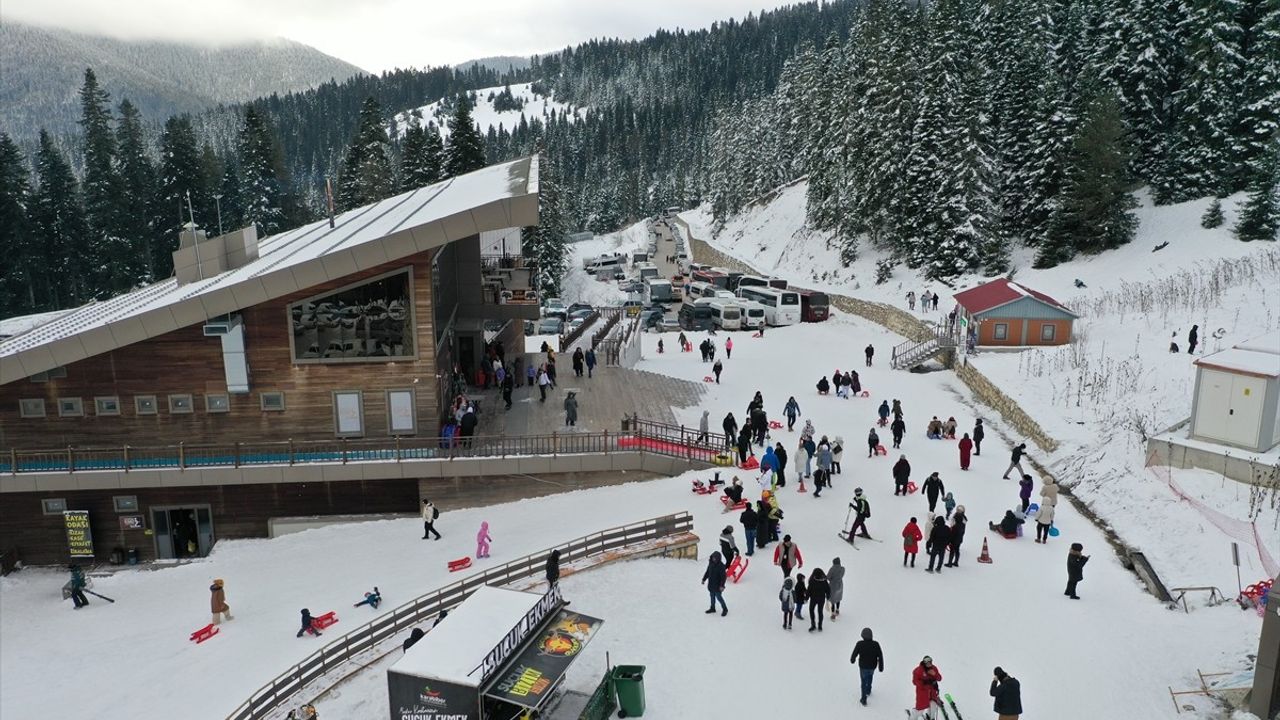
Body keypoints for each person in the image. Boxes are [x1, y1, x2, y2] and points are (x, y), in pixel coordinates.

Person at [850, 627, 885, 706]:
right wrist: (881, 667)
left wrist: (852, 659)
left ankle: (863, 698)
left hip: (863, 666)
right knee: (870, 677)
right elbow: (880, 655)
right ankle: (868, 689)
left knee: (863, 681)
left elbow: (854, 653)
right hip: (872, 666)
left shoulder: (860, 644)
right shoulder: (876, 644)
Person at [702, 551, 728, 616]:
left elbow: (723, 577)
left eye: (715, 558)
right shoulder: (711, 563)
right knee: (712, 597)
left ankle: (725, 609)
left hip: (717, 586)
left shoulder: (721, 566)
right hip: (711, 585)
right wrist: (704, 579)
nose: (714, 559)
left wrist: (722, 586)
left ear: (718, 558)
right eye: (713, 557)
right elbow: (707, 572)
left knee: (719, 597)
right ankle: (712, 608)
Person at [807, 567, 830, 631]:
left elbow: (809, 590)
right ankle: (820, 626)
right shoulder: (824, 581)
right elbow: (828, 590)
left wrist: (806, 598)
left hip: (813, 599)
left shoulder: (812, 580)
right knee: (820, 612)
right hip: (821, 599)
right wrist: (828, 596)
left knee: (811, 610)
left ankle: (813, 625)